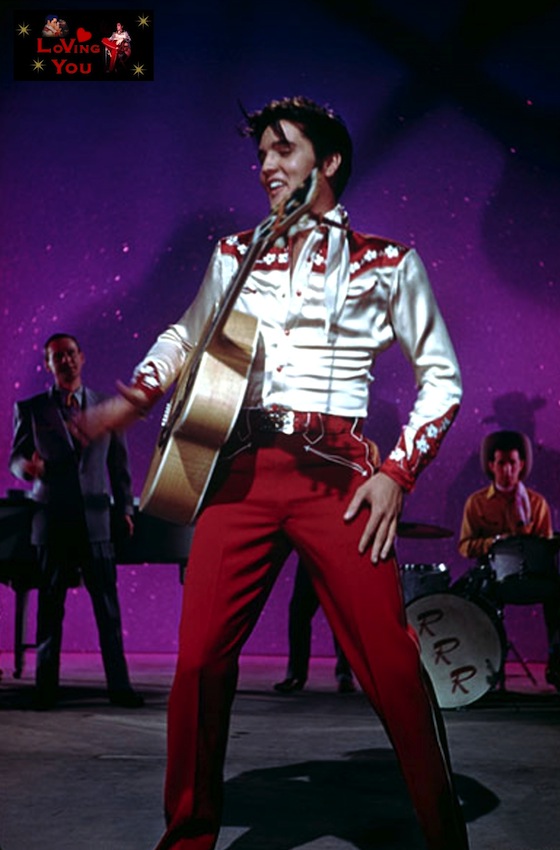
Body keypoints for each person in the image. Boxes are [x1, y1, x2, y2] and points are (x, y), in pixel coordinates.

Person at [77, 96, 468, 849]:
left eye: (283, 149)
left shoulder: (391, 261)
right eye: (260, 154)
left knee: (391, 666)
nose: (266, 166)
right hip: (243, 471)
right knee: (197, 665)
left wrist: (397, 472)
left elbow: (443, 379)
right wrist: (133, 397)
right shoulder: (234, 253)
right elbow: (186, 335)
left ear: (329, 161)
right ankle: (187, 838)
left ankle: (446, 837)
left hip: (340, 477)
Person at [9, 333, 143, 710]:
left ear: (81, 358)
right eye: (57, 357)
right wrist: (26, 468)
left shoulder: (105, 408)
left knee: (108, 611)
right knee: (50, 611)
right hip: (52, 521)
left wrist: (125, 509)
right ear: (48, 365)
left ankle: (120, 688)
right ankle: (45, 689)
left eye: (70, 354)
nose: (65, 361)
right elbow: (15, 458)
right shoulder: (31, 408)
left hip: (96, 521)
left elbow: (119, 466)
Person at [458, 429, 560, 691]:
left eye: (512, 463)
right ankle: (489, 665)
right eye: (501, 463)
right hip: (496, 579)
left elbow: (547, 547)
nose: (507, 470)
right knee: (476, 595)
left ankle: (557, 663)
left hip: (532, 577)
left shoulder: (537, 504)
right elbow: (465, 546)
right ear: (491, 465)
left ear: (521, 464)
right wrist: (493, 543)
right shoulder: (476, 503)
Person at [274, 556, 356, 693]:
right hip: (312, 557)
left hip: (336, 556)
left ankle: (344, 675)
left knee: (341, 613)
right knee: (299, 611)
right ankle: (296, 675)